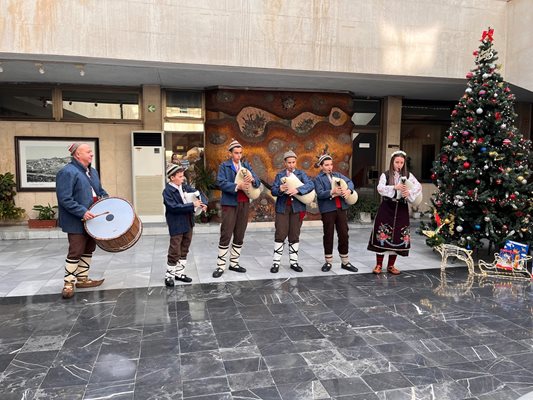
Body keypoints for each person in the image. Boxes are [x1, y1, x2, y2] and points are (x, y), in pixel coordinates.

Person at [56, 142, 108, 299]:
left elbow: (99, 190)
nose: (91, 154)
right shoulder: (67, 172)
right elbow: (65, 198)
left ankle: (82, 278)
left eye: (91, 151)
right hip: (76, 219)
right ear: (77, 155)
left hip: (93, 217)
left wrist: (106, 198)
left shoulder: (92, 171)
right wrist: (82, 212)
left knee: (89, 248)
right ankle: (68, 282)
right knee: (76, 250)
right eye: (88, 152)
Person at [367, 150, 422, 275]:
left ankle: (391, 265)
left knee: (397, 234)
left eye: (401, 162)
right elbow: (380, 188)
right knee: (382, 233)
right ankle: (379, 265)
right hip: (387, 207)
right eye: (397, 162)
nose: (399, 165)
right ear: (392, 162)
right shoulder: (385, 175)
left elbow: (418, 187)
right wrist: (394, 188)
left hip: (401, 208)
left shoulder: (408, 176)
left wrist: (409, 193)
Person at [212, 139, 260, 278]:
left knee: (240, 233)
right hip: (229, 203)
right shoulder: (224, 166)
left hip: (244, 203)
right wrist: (236, 186)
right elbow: (220, 182)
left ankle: (234, 263)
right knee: (226, 232)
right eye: (236, 153)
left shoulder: (246, 165)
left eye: (240, 153)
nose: (239, 155)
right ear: (230, 153)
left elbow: (257, 181)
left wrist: (253, 179)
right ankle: (220, 266)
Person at [270, 150, 314, 273]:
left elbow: (310, 184)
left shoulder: (301, 174)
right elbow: (273, 190)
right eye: (289, 162)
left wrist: (297, 189)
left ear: (296, 162)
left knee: (294, 234)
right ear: (285, 162)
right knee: (280, 233)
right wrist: (279, 188)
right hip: (282, 208)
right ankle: (276, 263)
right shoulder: (279, 175)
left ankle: (294, 263)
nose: (291, 165)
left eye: (293, 162)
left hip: (297, 208)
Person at [163, 164, 207, 286]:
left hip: (188, 221)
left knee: (185, 247)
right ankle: (169, 275)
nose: (183, 178)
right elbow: (173, 207)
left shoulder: (184, 187)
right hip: (176, 223)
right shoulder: (167, 191)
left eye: (183, 176)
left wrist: (203, 203)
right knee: (174, 249)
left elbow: (198, 193)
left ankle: (179, 273)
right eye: (180, 176)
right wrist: (192, 205)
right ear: (172, 177)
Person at [313, 153, 358, 273]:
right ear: (321, 166)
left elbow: (350, 183)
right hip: (328, 210)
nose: (329, 167)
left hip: (341, 209)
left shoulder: (338, 175)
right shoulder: (318, 179)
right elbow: (320, 194)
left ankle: (345, 262)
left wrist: (348, 190)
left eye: (331, 164)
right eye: (326, 165)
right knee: (328, 235)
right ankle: (328, 262)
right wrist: (332, 191)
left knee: (344, 234)